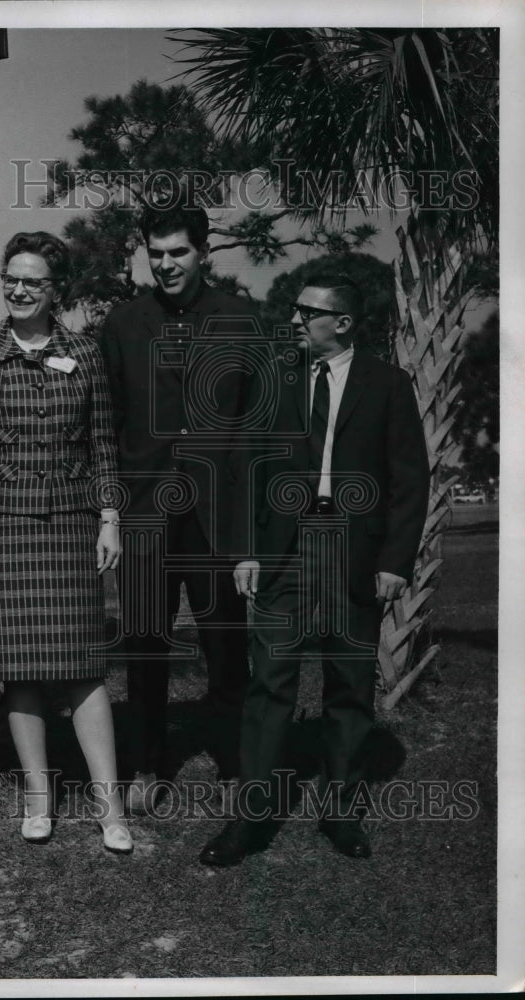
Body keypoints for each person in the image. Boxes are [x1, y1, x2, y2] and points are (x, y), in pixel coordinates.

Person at [199, 277, 430, 866]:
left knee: (349, 689)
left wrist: (394, 563)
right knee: (269, 685)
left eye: (308, 312)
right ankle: (251, 819)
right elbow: (247, 465)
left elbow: (409, 481)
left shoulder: (388, 385)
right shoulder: (278, 380)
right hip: (285, 555)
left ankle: (341, 813)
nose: (295, 321)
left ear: (344, 322)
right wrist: (247, 550)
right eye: (294, 310)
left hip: (354, 556)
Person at [0, 232, 132, 854]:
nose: (20, 289)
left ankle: (110, 805)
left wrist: (109, 516)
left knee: (83, 666)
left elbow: (104, 441)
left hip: (71, 523)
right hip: (0, 524)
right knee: (20, 666)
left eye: (34, 281)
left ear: (58, 290)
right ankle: (37, 795)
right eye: (13, 279)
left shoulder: (84, 352)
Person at [99, 202, 259, 812]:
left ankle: (235, 765)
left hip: (217, 520)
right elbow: (107, 425)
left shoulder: (241, 321)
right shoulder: (122, 324)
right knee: (144, 646)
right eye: (155, 253)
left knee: (225, 649)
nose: (165, 264)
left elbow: (254, 430)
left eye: (178, 252)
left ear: (202, 252)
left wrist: (248, 535)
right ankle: (145, 766)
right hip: (145, 517)